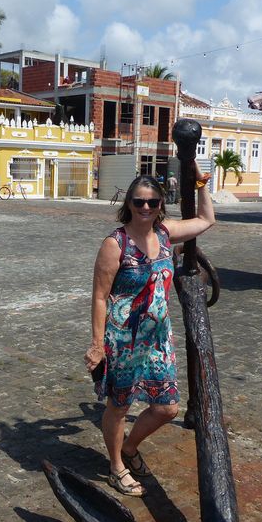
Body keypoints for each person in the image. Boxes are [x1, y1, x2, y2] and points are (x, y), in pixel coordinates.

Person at [84, 161, 215, 497]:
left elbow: (205, 220)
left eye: (152, 202)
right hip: (123, 341)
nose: (145, 208)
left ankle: (130, 447)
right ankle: (116, 466)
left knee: (166, 407)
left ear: (160, 206)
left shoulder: (165, 233)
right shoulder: (116, 244)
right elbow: (100, 297)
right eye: (138, 202)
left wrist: (200, 183)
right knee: (120, 405)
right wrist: (98, 345)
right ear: (128, 203)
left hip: (157, 340)